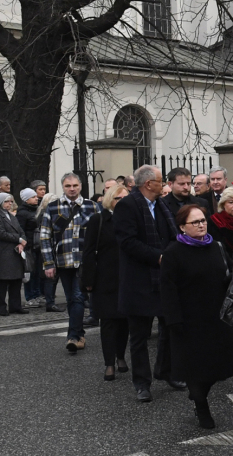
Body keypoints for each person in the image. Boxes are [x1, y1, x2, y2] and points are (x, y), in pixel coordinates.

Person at [160, 205, 233, 429]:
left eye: (203, 220)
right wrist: (173, 320)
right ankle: (201, 406)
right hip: (189, 319)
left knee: (221, 367)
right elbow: (168, 289)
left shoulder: (216, 246)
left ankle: (198, 394)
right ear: (182, 227)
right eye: (195, 222)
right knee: (195, 368)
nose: (201, 224)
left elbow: (229, 273)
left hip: (218, 316)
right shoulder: (173, 252)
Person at [113, 165, 181, 402]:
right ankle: (142, 383)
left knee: (170, 328)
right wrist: (158, 257)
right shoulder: (127, 206)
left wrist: (171, 255)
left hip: (163, 279)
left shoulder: (163, 205)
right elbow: (127, 241)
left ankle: (165, 370)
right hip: (139, 281)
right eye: (161, 181)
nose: (164, 185)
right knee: (139, 336)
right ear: (148, 184)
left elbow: (173, 236)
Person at [39, 173, 98, 351]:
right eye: (67, 186)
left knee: (79, 297)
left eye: (75, 185)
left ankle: (74, 336)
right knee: (71, 298)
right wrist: (48, 264)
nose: (72, 189)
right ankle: (78, 333)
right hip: (63, 261)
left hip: (84, 261)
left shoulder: (92, 206)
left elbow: (101, 235)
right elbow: (45, 237)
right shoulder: (52, 208)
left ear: (80, 186)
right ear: (63, 187)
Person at [81, 184, 130, 380]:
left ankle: (120, 356)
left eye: (126, 199)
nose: (123, 203)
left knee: (125, 320)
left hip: (127, 278)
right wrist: (88, 280)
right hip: (105, 279)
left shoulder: (131, 220)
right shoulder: (98, 220)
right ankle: (109, 363)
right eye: (119, 199)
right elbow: (88, 251)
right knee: (108, 322)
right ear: (110, 199)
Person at [0, 192, 27, 315]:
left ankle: (15, 306)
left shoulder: (11, 215)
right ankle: (1, 307)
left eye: (11, 201)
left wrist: (22, 242)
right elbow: (1, 233)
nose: (9, 204)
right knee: (3, 281)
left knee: (16, 280)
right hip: (4, 252)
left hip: (16, 252)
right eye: (6, 201)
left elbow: (21, 230)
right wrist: (18, 239)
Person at [16, 188, 42, 307]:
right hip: (29, 246)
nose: (36, 198)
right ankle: (30, 296)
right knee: (30, 272)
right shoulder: (22, 213)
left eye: (36, 197)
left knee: (37, 272)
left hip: (37, 245)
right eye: (33, 197)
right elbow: (20, 229)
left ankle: (37, 294)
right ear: (27, 200)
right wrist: (24, 243)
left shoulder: (36, 210)